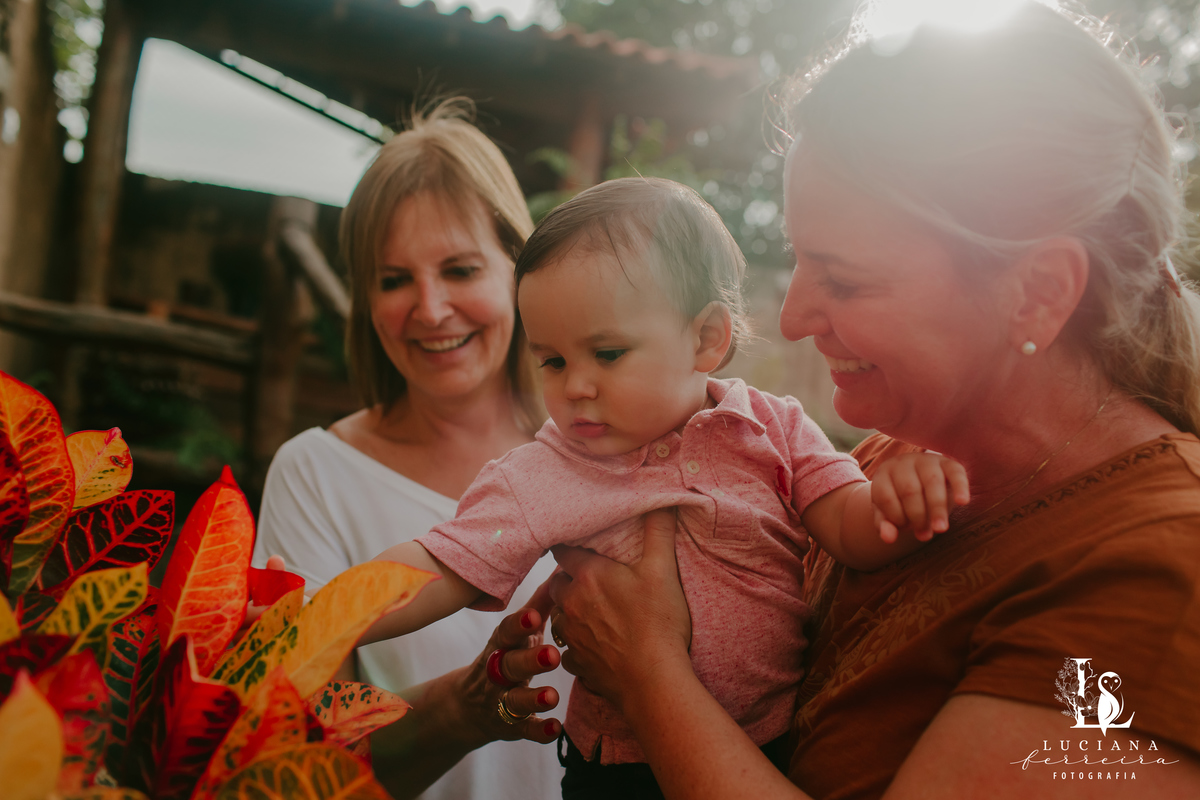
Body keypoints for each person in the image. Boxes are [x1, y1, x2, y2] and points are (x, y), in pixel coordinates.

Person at [541, 4, 1200, 799]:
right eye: (798, 259)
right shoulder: (900, 463)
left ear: (1037, 294)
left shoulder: (1157, 571)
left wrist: (648, 674)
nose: (792, 318)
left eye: (845, 280)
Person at [360, 176, 970, 797]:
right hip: (625, 772)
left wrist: (901, 502)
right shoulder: (549, 469)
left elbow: (849, 528)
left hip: (773, 744)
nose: (576, 387)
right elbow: (441, 564)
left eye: (608, 353)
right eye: (553, 361)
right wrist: (328, 619)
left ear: (706, 339)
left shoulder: (774, 426)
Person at [251, 99, 571, 800]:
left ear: (518, 266)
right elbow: (301, 764)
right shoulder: (316, 474)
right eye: (393, 280)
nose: (429, 309)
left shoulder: (607, 451)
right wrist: (461, 709)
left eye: (459, 269)